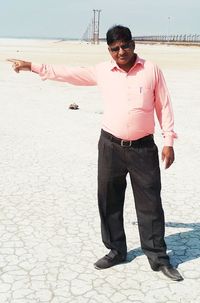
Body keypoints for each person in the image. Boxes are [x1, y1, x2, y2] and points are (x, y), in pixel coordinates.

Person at [7, 25, 183, 281]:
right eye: (115, 48)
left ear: (133, 45)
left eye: (125, 46)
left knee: (150, 204)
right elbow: (68, 74)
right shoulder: (103, 71)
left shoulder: (151, 70)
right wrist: (32, 66)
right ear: (109, 51)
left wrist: (169, 141)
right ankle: (116, 250)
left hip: (143, 148)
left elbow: (164, 106)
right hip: (110, 146)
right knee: (109, 200)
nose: (121, 52)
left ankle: (158, 257)